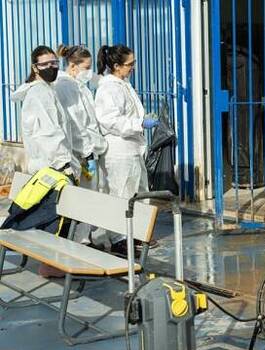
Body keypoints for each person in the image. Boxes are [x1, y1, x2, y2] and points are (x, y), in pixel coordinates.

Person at [94, 44, 158, 256]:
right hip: (119, 151)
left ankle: (136, 234)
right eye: (130, 64)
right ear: (116, 66)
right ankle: (119, 240)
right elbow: (109, 120)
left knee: (138, 192)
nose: (133, 68)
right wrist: (139, 124)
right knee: (122, 195)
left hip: (132, 148)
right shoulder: (108, 88)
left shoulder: (122, 83)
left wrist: (141, 120)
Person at [55, 44, 108, 245]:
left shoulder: (78, 85)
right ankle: (81, 241)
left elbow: (89, 121)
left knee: (89, 198)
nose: (89, 72)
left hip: (88, 151)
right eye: (86, 67)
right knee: (83, 199)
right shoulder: (65, 86)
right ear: (73, 66)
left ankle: (85, 238)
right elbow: (75, 123)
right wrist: (86, 153)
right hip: (79, 153)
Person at [10, 45, 80, 181]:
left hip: (50, 166)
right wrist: (63, 164)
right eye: (44, 64)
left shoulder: (47, 89)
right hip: (52, 168)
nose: (51, 67)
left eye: (54, 63)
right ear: (35, 68)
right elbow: (48, 133)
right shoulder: (39, 93)